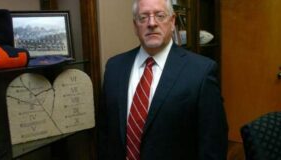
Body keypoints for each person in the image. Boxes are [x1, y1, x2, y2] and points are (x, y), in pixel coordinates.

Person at [98, 0, 228, 159]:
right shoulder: (114, 68)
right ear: (135, 25)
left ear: (172, 22)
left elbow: (213, 144)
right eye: (143, 17)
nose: (152, 23)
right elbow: (105, 134)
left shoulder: (201, 72)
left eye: (160, 16)